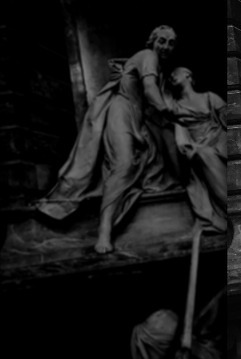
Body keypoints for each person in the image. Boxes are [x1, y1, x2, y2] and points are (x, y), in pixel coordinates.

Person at [37, 25, 180, 253]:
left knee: (154, 164)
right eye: (162, 40)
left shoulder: (159, 68)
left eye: (171, 43)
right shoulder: (148, 56)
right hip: (121, 113)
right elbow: (150, 90)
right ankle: (104, 232)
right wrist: (168, 110)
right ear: (152, 42)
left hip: (136, 119)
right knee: (123, 165)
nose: (166, 46)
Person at [167, 67, 227, 233]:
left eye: (175, 73)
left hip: (221, 144)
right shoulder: (177, 108)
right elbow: (182, 140)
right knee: (202, 154)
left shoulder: (209, 98)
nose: (171, 76)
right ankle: (225, 209)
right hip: (201, 150)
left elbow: (229, 123)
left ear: (187, 75)